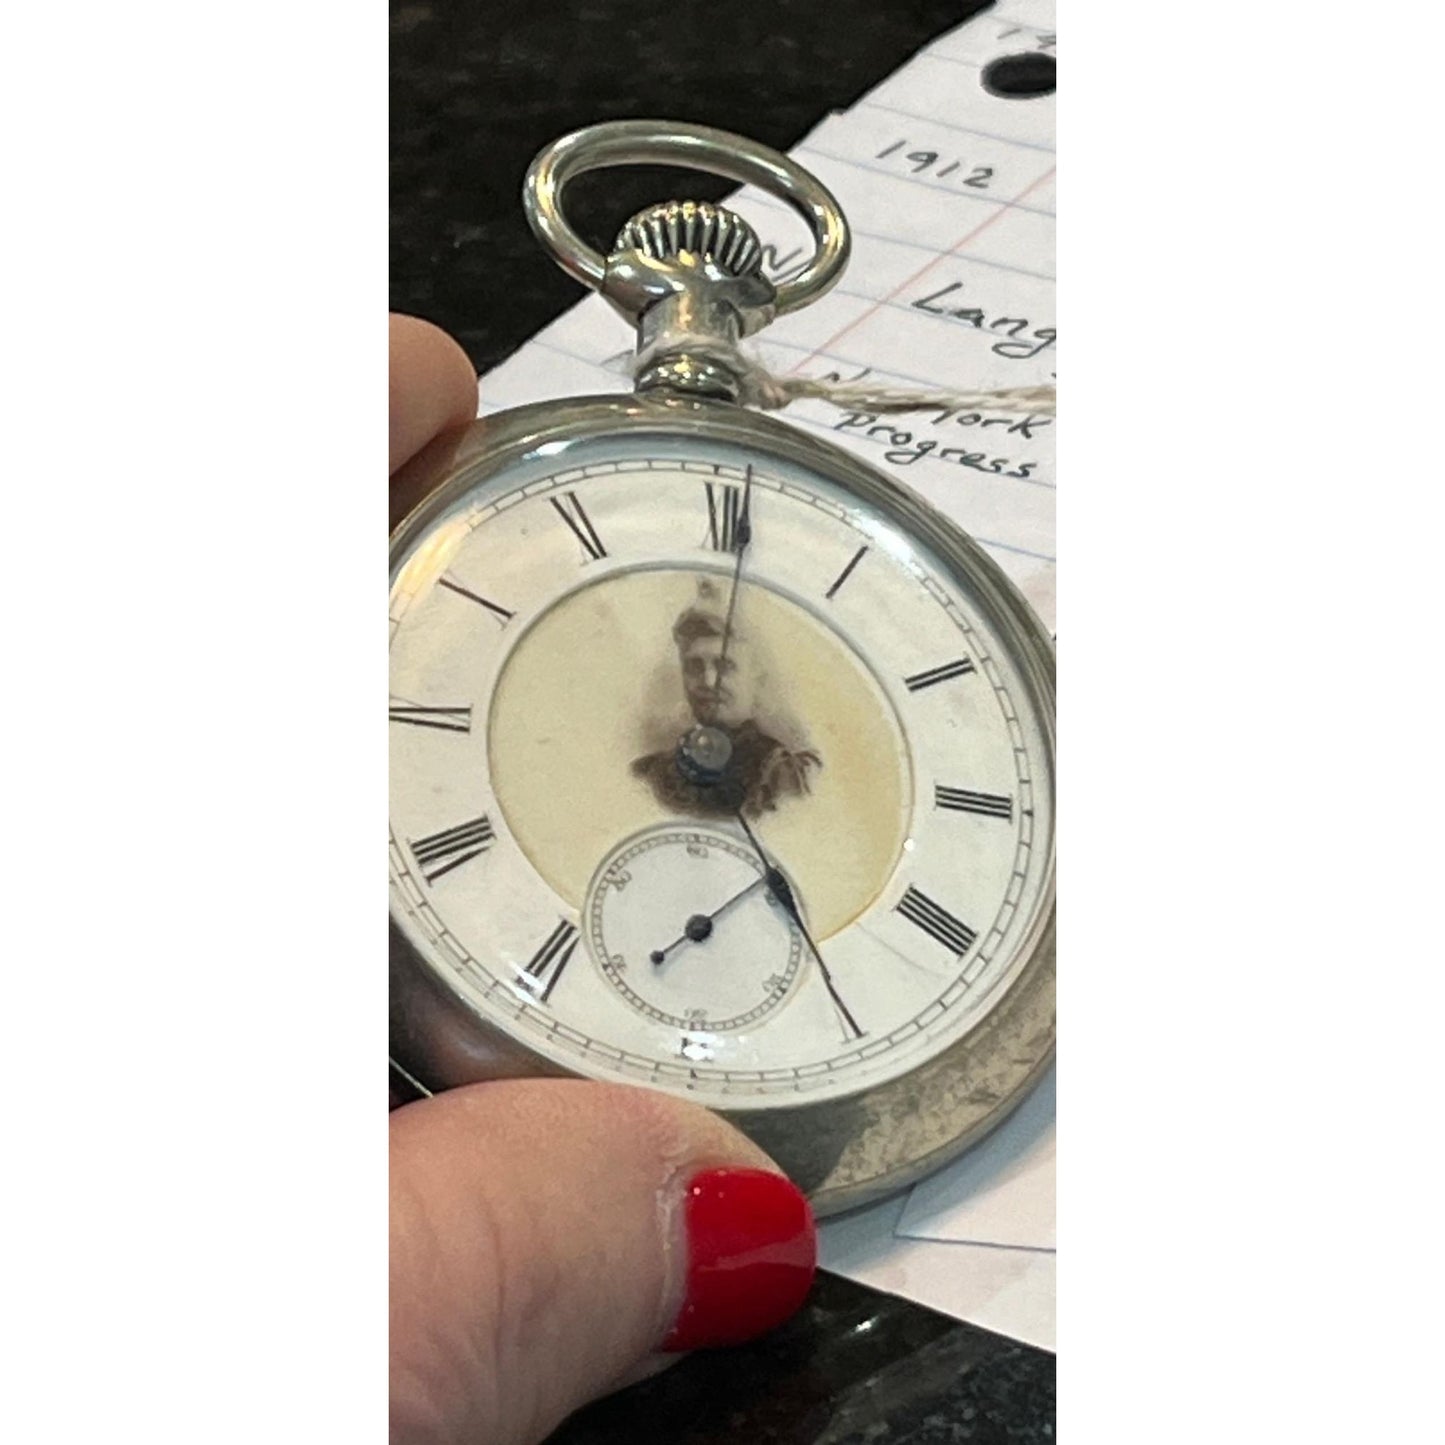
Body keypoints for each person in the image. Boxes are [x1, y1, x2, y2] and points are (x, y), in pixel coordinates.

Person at [389, 314, 817, 1445]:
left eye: (726, 659)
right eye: (690, 659)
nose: (707, 677)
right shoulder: (637, 772)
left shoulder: (795, 774)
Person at [631, 579, 821, 819]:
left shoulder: (783, 774)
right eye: (694, 667)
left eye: (724, 666)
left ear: (755, 675)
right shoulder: (653, 775)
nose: (708, 681)